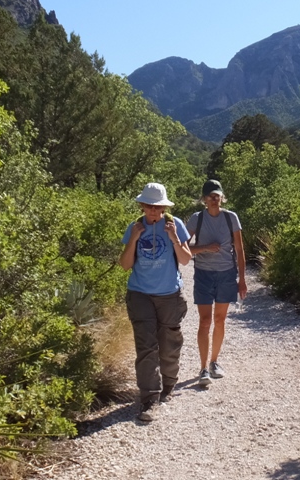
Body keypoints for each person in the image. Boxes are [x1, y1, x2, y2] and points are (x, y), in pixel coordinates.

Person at [119, 182, 192, 422]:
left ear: (163, 207)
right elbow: (125, 264)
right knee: (146, 346)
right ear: (142, 205)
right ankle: (149, 399)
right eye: (149, 206)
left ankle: (168, 385)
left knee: (169, 342)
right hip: (140, 293)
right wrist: (134, 238)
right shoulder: (134, 227)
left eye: (157, 206)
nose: (153, 210)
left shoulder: (175, 225)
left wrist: (172, 237)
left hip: (169, 294)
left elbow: (185, 260)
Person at [186, 179, 247, 387]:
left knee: (220, 320)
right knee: (205, 321)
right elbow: (184, 249)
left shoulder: (231, 218)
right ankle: (203, 368)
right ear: (204, 199)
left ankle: (214, 362)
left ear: (222, 197)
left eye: (217, 195)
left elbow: (239, 250)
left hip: (226, 275)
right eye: (210, 196)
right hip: (203, 274)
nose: (214, 199)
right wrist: (204, 248)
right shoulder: (197, 219)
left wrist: (242, 280)